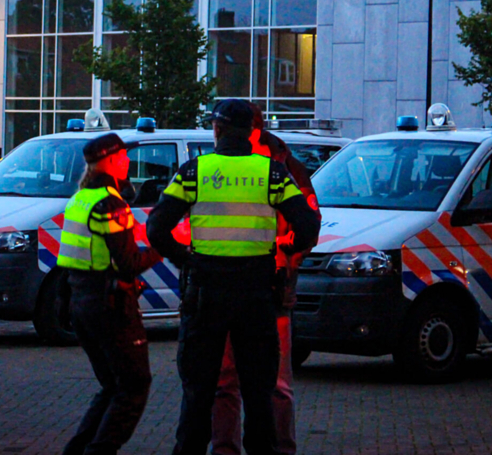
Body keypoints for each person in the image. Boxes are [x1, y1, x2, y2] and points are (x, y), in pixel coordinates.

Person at [146, 99, 321, 455]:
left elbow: (156, 227)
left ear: (217, 129)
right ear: (250, 132)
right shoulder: (272, 173)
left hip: (206, 295)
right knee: (259, 395)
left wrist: (185, 258)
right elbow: (308, 226)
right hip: (256, 298)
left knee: (199, 394)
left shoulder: (194, 171)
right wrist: (282, 252)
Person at [211, 106, 321, 455]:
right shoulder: (237, 165)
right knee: (229, 381)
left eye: (221, 127)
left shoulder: (285, 168)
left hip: (267, 288)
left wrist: (282, 254)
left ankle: (278, 449)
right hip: (245, 288)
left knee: (273, 383)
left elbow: (309, 225)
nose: (217, 134)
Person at [59, 133, 163, 455]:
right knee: (133, 386)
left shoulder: (79, 199)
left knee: (112, 386)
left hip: (83, 304)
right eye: (124, 157)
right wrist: (163, 246)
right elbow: (129, 263)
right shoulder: (109, 204)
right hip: (112, 307)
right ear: (114, 161)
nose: (129, 162)